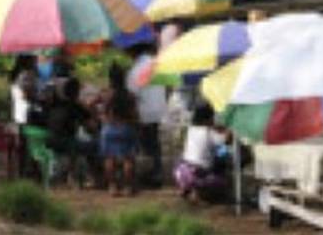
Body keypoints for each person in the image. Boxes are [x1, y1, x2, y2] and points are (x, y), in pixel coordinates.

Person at [98, 63, 140, 195]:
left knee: (109, 158)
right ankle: (127, 188)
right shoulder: (130, 95)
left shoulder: (106, 94)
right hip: (126, 127)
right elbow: (135, 114)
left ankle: (113, 187)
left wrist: (102, 117)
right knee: (128, 159)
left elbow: (92, 105)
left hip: (109, 128)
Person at [47, 78, 97, 188]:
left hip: (50, 141)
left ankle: (69, 176)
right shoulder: (74, 106)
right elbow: (91, 126)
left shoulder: (52, 105)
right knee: (95, 146)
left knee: (77, 144)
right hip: (67, 143)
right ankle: (92, 177)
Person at [176, 104, 230, 203]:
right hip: (200, 174)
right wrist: (229, 128)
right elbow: (226, 140)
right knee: (223, 153)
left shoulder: (191, 130)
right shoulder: (208, 132)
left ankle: (187, 188)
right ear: (207, 119)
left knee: (215, 153)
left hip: (182, 171)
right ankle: (200, 193)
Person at [131, 50, 169, 187]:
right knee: (155, 144)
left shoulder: (135, 70)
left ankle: (149, 175)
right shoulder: (158, 66)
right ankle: (157, 174)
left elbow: (132, 94)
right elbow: (169, 86)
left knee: (145, 147)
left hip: (144, 114)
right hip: (158, 112)